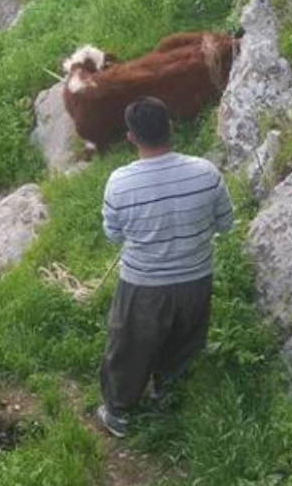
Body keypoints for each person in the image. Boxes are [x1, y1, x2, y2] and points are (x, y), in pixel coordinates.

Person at [96, 96, 235, 438]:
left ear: (131, 137)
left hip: (143, 286)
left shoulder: (119, 182)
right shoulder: (206, 172)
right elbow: (225, 223)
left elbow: (113, 235)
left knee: (130, 347)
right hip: (196, 280)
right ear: (171, 127)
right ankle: (168, 396)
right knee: (184, 341)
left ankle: (118, 412)